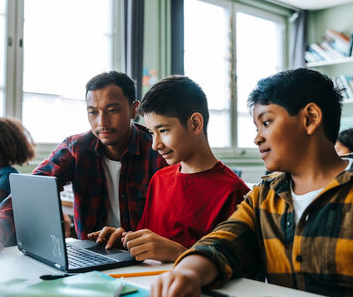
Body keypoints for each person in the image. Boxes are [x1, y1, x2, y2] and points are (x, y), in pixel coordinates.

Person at [151, 68, 353, 297]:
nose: (257, 139)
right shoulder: (265, 195)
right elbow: (224, 242)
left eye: (266, 122)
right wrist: (188, 272)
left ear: (310, 118)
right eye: (256, 127)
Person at [0, 71, 167, 255]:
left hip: (146, 259)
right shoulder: (76, 149)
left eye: (112, 111)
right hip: (93, 257)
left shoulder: (159, 150)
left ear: (133, 109)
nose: (102, 122)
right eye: (93, 112)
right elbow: (29, 193)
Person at [88, 76, 250, 263]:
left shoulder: (233, 192)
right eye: (151, 133)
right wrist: (123, 242)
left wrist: (180, 253)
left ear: (195, 124)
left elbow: (240, 268)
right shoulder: (159, 179)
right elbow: (149, 241)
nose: (155, 145)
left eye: (163, 131)